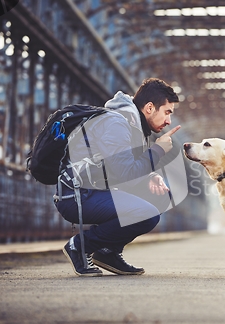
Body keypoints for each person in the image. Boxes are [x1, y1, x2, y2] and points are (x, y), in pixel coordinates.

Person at [56, 78, 181, 277]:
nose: (169, 121)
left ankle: (108, 252)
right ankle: (79, 246)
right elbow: (123, 173)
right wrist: (157, 151)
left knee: (161, 196)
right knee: (147, 214)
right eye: (167, 112)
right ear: (149, 107)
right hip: (78, 195)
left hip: (95, 190)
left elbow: (118, 169)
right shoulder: (117, 123)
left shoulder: (133, 125)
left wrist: (149, 176)